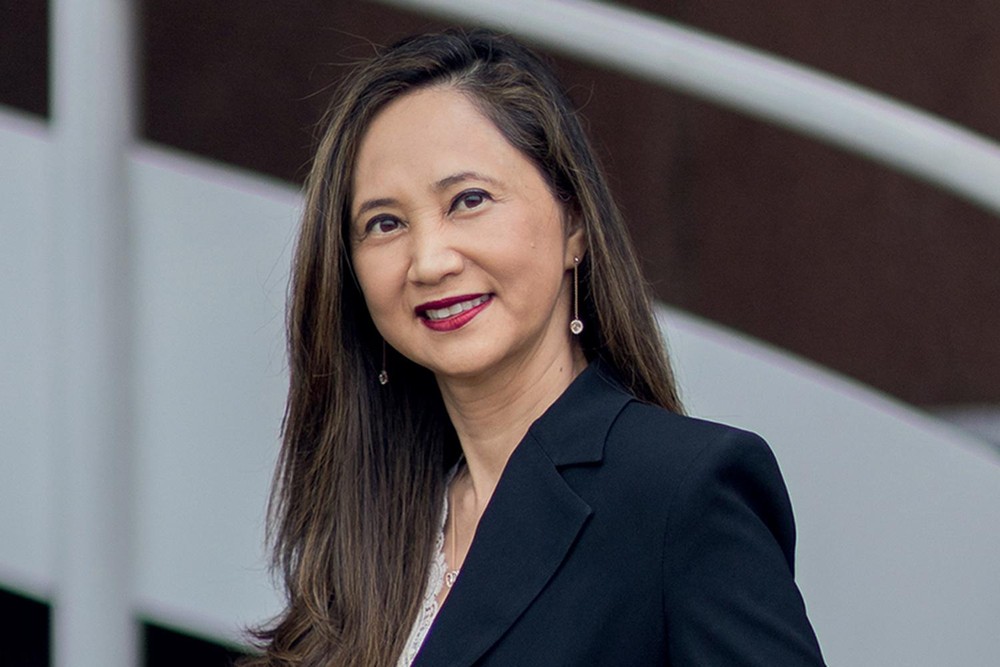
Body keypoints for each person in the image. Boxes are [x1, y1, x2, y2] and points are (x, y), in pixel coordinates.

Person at [246, 28, 825, 667]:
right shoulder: (369, 528)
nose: (429, 261)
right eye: (385, 223)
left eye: (468, 200)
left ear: (574, 221)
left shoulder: (681, 491)